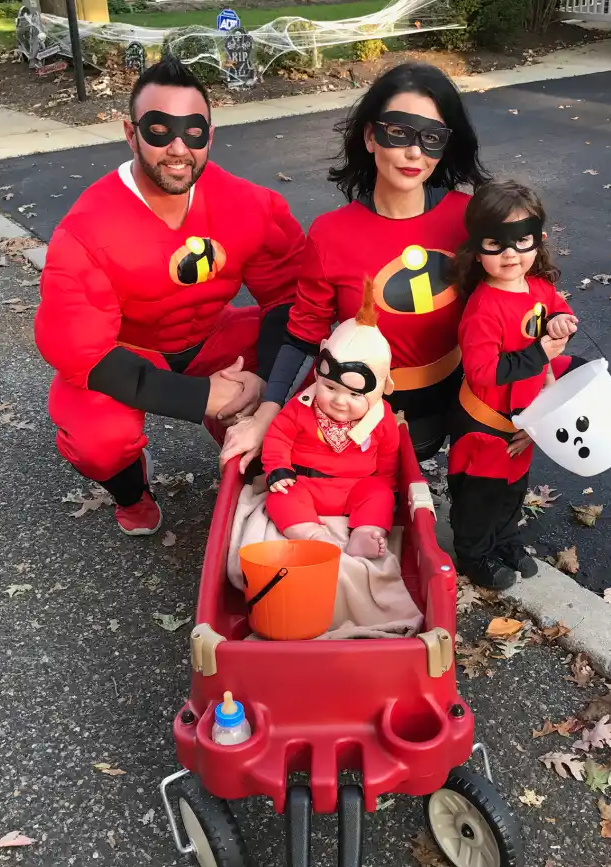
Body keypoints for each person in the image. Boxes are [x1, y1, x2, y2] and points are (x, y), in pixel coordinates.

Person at [35, 56, 306, 536]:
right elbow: (82, 353)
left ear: (210, 134)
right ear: (130, 132)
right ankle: (131, 490)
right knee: (99, 439)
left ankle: (250, 451)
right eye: (159, 130)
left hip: (213, 336)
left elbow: (290, 296)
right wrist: (202, 395)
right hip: (128, 350)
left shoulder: (249, 204)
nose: (178, 148)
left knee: (308, 374)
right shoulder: (85, 230)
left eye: (194, 131)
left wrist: (262, 380)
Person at [219, 61, 491, 474]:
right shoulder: (332, 235)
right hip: (357, 414)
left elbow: (511, 303)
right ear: (370, 136)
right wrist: (267, 412)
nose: (415, 152)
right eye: (399, 132)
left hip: (459, 402)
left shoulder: (470, 220)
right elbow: (304, 333)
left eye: (431, 138)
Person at [447, 179, 584, 590]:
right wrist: (540, 352)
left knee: (511, 489)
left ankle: (504, 541)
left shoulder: (539, 287)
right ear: (478, 248)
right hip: (484, 425)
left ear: (537, 242)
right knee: (479, 495)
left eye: (521, 242)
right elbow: (483, 371)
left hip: (523, 418)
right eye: (497, 243)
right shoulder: (484, 308)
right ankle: (475, 554)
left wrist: (562, 323)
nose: (510, 254)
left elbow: (561, 316)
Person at [263, 281, 399, 560]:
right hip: (304, 482)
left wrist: (387, 485)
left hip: (356, 486)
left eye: (353, 394)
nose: (339, 401)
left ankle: (364, 533)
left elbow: (388, 456)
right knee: (280, 497)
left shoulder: (380, 418)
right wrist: (277, 469)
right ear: (319, 377)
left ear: (378, 391)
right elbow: (278, 436)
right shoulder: (302, 406)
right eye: (331, 388)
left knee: (380, 495)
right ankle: (313, 535)